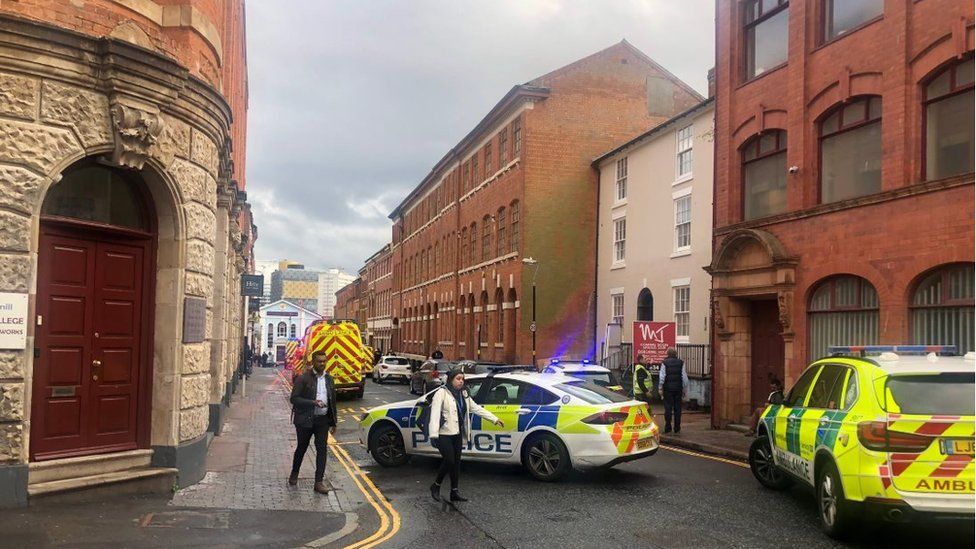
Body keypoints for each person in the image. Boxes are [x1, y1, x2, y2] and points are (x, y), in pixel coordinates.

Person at [428, 369, 504, 502]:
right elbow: (434, 414)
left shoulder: (464, 394)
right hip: (443, 434)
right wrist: (433, 434)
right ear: (451, 379)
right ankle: (436, 485)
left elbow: (475, 408)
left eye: (462, 379)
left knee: (456, 463)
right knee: (449, 460)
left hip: (457, 433)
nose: (461, 381)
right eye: (458, 379)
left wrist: (494, 419)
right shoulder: (441, 393)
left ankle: (454, 492)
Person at [288, 350, 338, 494]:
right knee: (301, 448)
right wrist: (313, 402)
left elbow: (332, 401)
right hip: (305, 420)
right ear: (313, 362)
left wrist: (334, 422)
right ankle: (294, 473)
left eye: (324, 361)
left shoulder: (329, 379)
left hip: (322, 420)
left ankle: (318, 482)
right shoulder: (303, 378)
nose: (322, 363)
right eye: (319, 361)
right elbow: (294, 398)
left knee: (322, 450)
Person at [658, 348, 688, 434]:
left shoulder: (664, 363)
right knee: (677, 409)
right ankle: (677, 427)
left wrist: (660, 388)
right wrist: (684, 389)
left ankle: (668, 427)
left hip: (668, 389)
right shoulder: (681, 362)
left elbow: (662, 377)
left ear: (668, 354)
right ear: (675, 354)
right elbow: (684, 378)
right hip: (678, 388)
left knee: (668, 408)